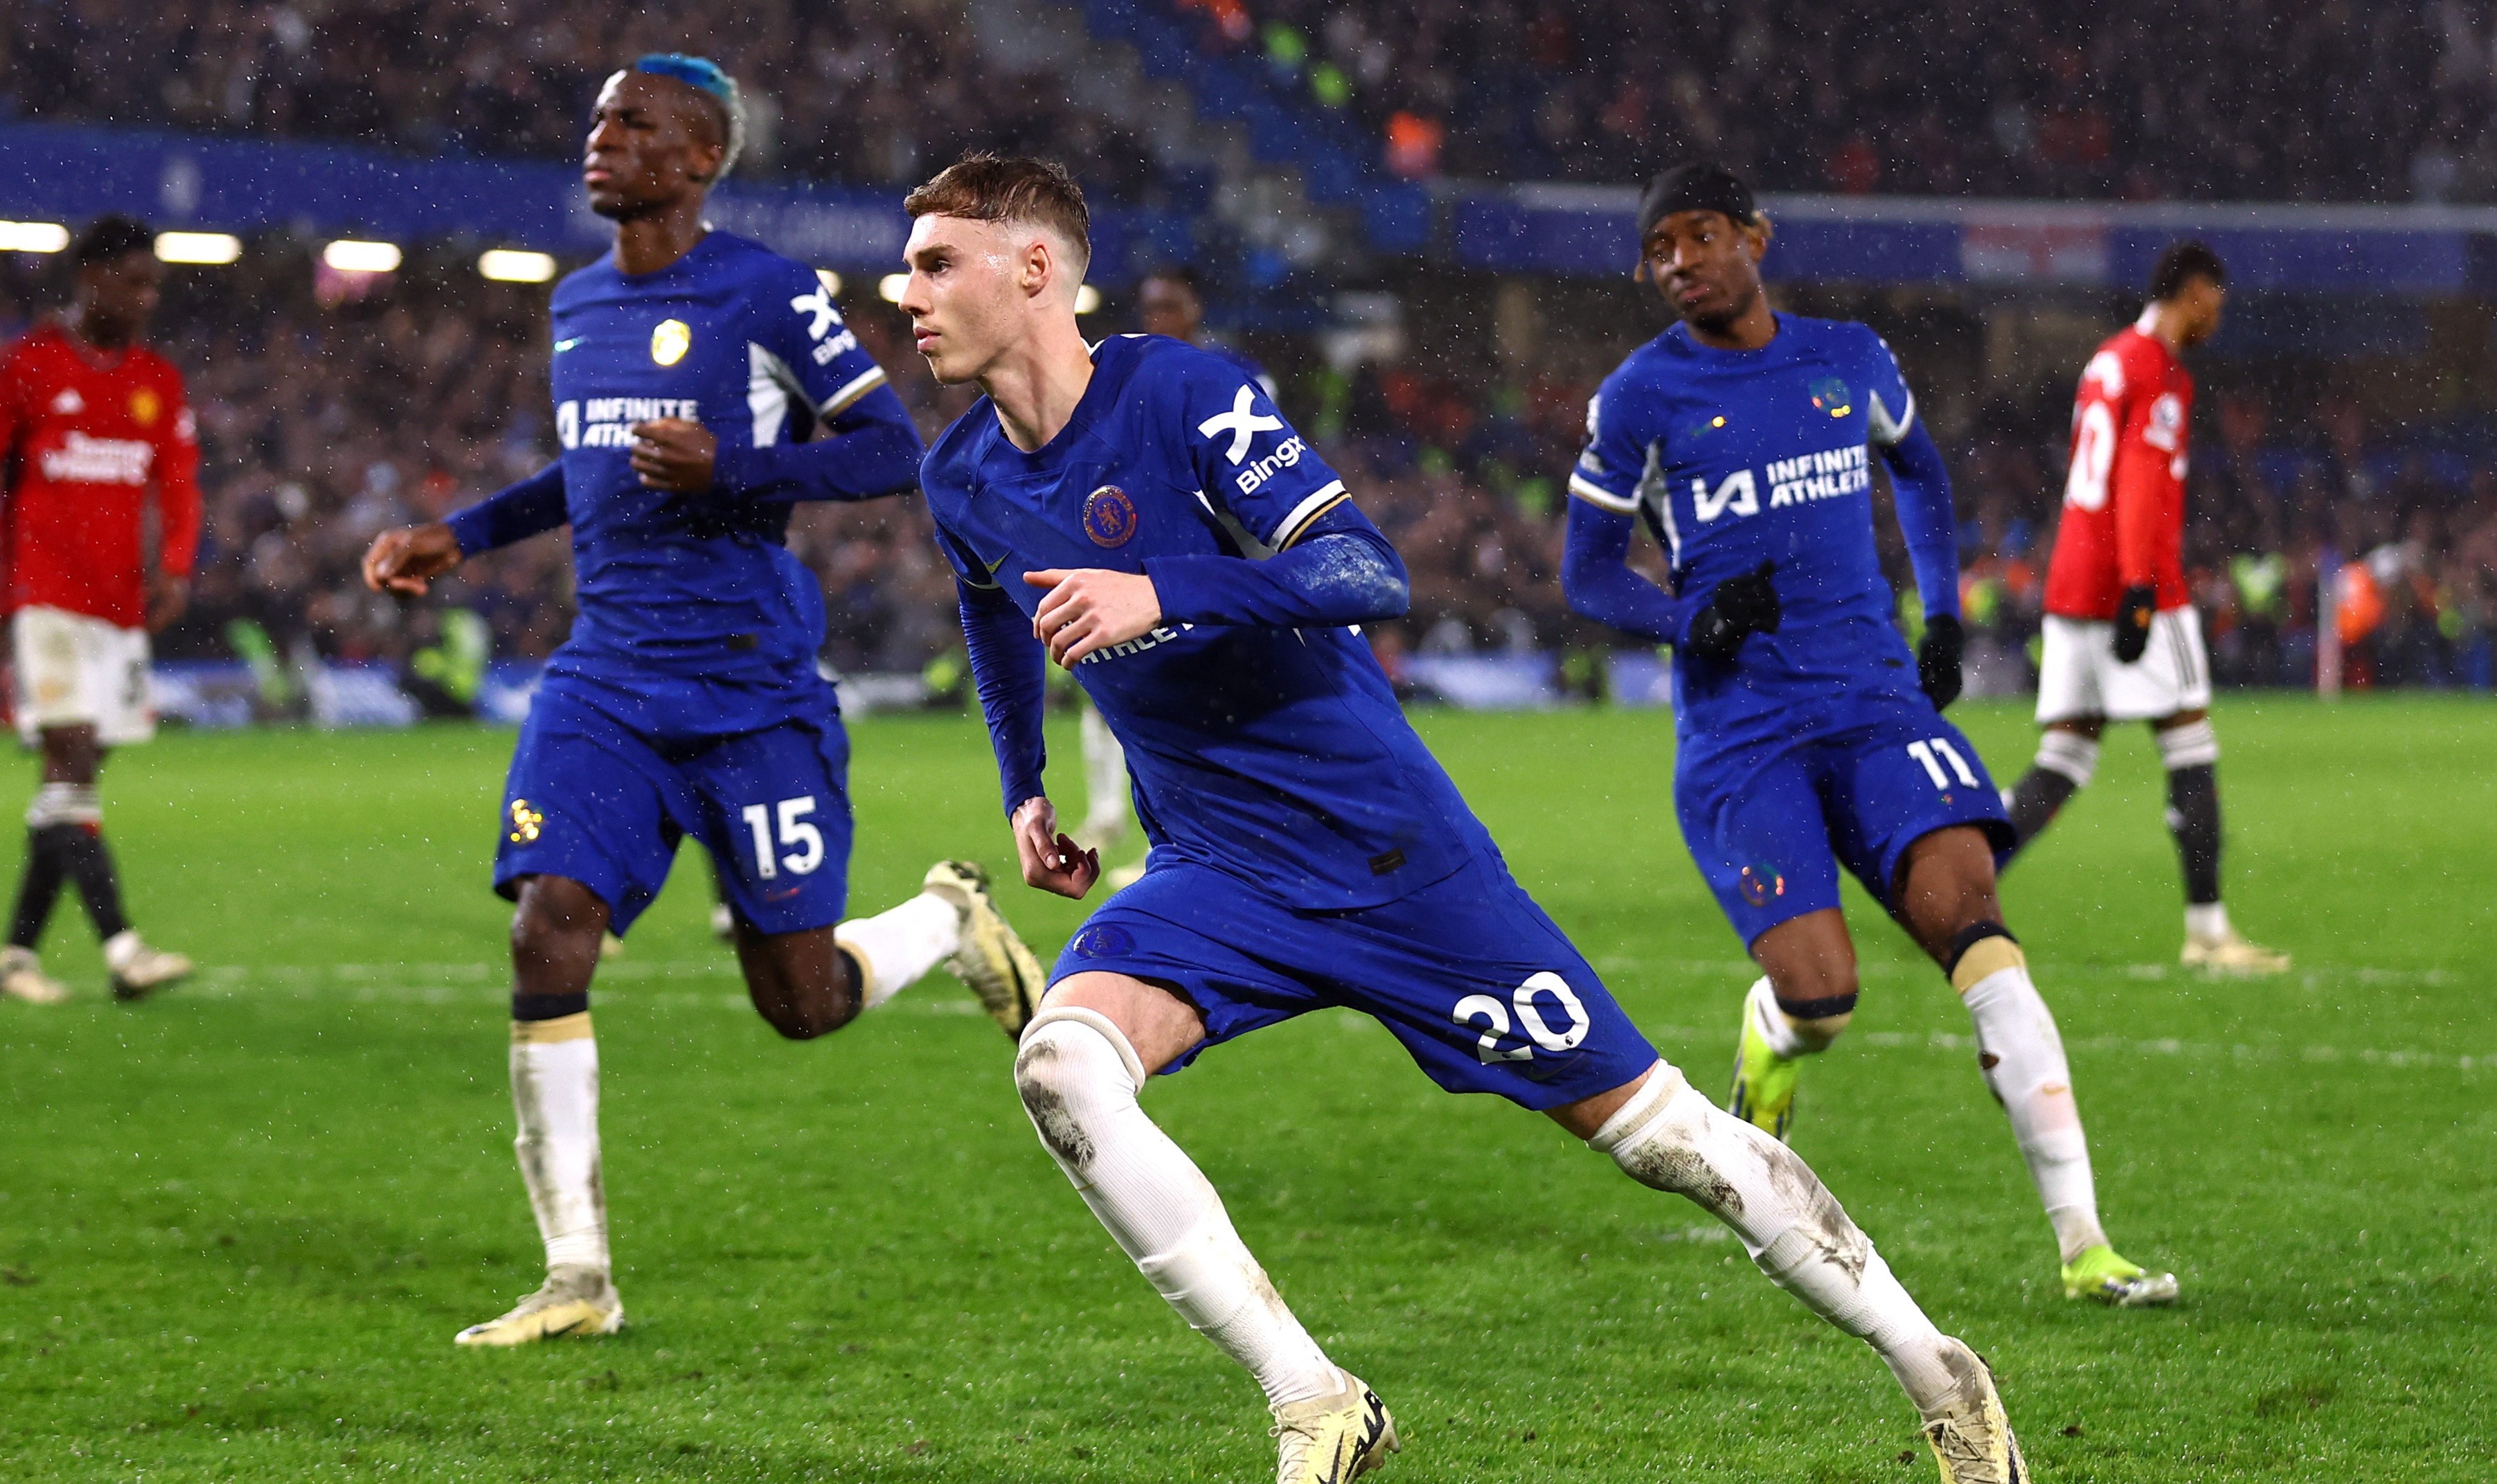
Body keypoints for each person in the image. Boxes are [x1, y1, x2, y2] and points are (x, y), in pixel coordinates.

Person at [902, 153, 2030, 1484]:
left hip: (1391, 859)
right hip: (1216, 870)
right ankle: (1315, 1397)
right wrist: (1026, 783)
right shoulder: (962, 471)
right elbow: (993, 603)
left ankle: (1937, 1366)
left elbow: (1361, 566)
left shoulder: (1185, 393)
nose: (906, 292)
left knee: (1669, 1143)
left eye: (933, 262)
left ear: (1034, 269)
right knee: (1061, 1068)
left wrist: (1164, 587)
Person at [360, 57, 1046, 1349]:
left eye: (634, 123)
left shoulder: (769, 291)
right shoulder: (573, 304)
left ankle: (947, 919)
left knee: (801, 1002)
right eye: (600, 117)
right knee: (548, 930)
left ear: (700, 160)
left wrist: (737, 464)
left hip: (747, 688)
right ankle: (577, 1274)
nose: (600, 136)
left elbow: (892, 448)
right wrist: (464, 533)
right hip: (607, 679)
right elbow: (590, 469)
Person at [1560, 161, 2177, 1313]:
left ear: (1756, 234)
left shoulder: (1851, 357)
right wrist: (1687, 615)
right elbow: (1585, 572)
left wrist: (1941, 609)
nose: (1680, 263)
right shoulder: (1641, 397)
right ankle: (1773, 1034)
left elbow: (1922, 473)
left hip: (1879, 706)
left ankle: (2088, 1243)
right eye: (1659, 251)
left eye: (1699, 237)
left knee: (1983, 936)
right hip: (1745, 735)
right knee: (1824, 994)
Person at [2000, 242, 2289, 975]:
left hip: (2072, 577)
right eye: (2212, 306)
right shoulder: (2159, 372)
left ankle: (1949, 895)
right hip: (2136, 583)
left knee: (2061, 760)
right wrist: (2138, 589)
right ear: (2190, 293)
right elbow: (2138, 481)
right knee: (2192, 747)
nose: (2214, 322)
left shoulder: (2108, 359)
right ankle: (2208, 933)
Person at [0, 213, 201, 1006]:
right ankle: (125, 951)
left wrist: (177, 569)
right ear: (91, 276)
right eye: (135, 280)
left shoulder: (156, 381)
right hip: (45, 604)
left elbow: (180, 480)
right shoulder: (25, 366)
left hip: (119, 613)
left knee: (73, 787)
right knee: (73, 762)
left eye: (155, 283)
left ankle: (17, 957)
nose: (148, 297)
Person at [1068, 267, 1280, 881]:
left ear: (1195, 308)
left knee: (1218, 699)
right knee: (1118, 678)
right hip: (1161, 557)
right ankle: (1126, 821)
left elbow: (1248, 469)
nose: (1155, 317)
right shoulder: (1131, 376)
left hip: (1230, 558)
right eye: (1148, 305)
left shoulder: (1231, 373)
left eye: (1168, 305)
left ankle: (1211, 845)